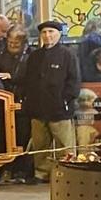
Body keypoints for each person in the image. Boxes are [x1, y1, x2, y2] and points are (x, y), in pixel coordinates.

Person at [17, 19, 82, 169]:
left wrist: (64, 100)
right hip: (37, 110)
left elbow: (74, 81)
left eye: (51, 31)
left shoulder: (68, 55)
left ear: (59, 34)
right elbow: (28, 80)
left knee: (64, 147)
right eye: (44, 32)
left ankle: (67, 172)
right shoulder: (34, 56)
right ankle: (42, 173)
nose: (47, 35)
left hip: (60, 110)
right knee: (40, 146)